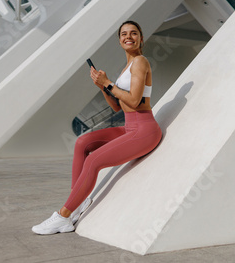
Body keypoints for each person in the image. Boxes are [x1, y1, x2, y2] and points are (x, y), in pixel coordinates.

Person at [32, 21, 163, 235]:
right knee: (82, 142)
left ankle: (63, 217)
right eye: (123, 34)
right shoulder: (127, 68)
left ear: (141, 38)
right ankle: (78, 202)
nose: (128, 37)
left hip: (144, 130)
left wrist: (109, 83)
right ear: (119, 40)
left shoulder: (140, 62)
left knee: (93, 161)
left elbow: (134, 100)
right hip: (130, 126)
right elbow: (117, 107)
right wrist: (103, 87)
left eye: (133, 33)